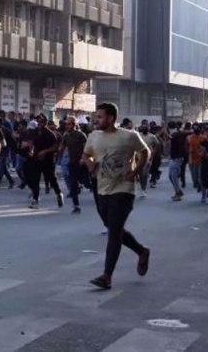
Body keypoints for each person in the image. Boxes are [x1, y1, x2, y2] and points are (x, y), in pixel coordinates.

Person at [81, 102, 150, 290]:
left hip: (124, 189)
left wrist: (135, 172)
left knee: (114, 231)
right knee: (111, 226)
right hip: (102, 188)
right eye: (96, 116)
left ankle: (107, 276)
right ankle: (141, 251)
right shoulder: (93, 136)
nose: (96, 120)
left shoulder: (129, 136)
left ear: (111, 118)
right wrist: (89, 163)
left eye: (100, 116)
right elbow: (86, 155)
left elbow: (145, 152)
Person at [27, 115, 64, 210]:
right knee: (35, 180)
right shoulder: (34, 132)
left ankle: (59, 194)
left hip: (47, 160)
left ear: (45, 123)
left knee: (52, 179)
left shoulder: (50, 134)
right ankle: (35, 200)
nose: (40, 124)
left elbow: (55, 147)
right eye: (38, 122)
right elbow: (31, 142)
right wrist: (31, 150)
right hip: (36, 159)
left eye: (42, 122)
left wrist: (45, 151)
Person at [137, 124, 161, 200]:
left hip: (148, 158)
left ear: (148, 129)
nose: (145, 129)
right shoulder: (138, 135)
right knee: (141, 174)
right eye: (144, 128)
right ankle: (142, 188)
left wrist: (153, 152)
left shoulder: (152, 137)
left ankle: (143, 189)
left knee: (145, 174)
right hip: (138, 157)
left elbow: (157, 144)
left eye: (146, 128)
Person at [0, 117, 16, 191]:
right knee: (4, 168)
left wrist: (12, 150)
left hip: (5, 150)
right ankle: (11, 181)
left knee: (1, 167)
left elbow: (11, 140)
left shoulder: (5, 130)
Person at [167, 121, 186, 202]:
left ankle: (178, 193)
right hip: (175, 157)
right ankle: (178, 191)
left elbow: (170, 137)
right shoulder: (179, 133)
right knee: (171, 176)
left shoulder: (177, 134)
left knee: (174, 177)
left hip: (177, 158)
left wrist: (164, 132)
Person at [187, 125, 204, 192]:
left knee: (200, 173)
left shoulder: (203, 137)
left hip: (201, 158)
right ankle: (196, 183)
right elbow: (185, 145)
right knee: (194, 174)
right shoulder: (189, 137)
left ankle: (200, 184)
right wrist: (188, 151)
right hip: (192, 158)